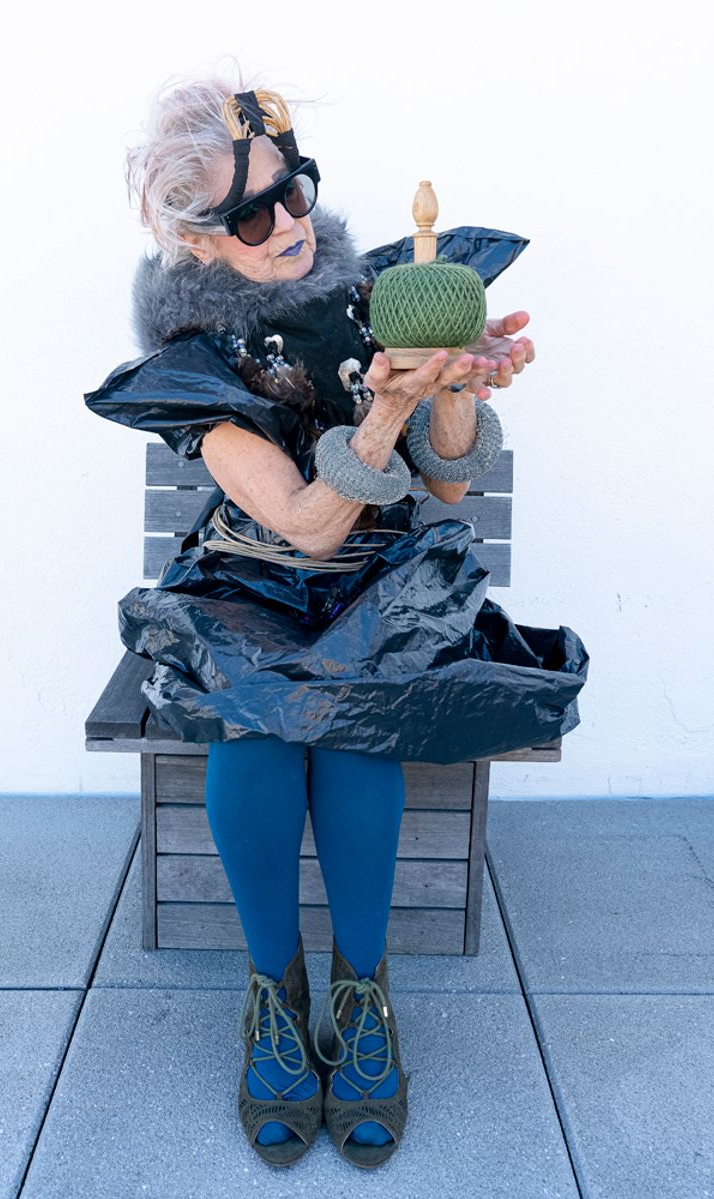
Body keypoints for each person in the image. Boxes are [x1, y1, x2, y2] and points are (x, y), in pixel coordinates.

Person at [84, 72, 589, 1170]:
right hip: (256, 576)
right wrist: (395, 398)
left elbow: (447, 486)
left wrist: (452, 381)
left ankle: (361, 994)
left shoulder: (376, 290)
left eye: (296, 189)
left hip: (383, 576)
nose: (291, 224)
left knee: (361, 723)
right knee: (258, 736)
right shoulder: (191, 365)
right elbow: (307, 522)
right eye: (253, 214)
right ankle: (276, 990)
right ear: (199, 243)